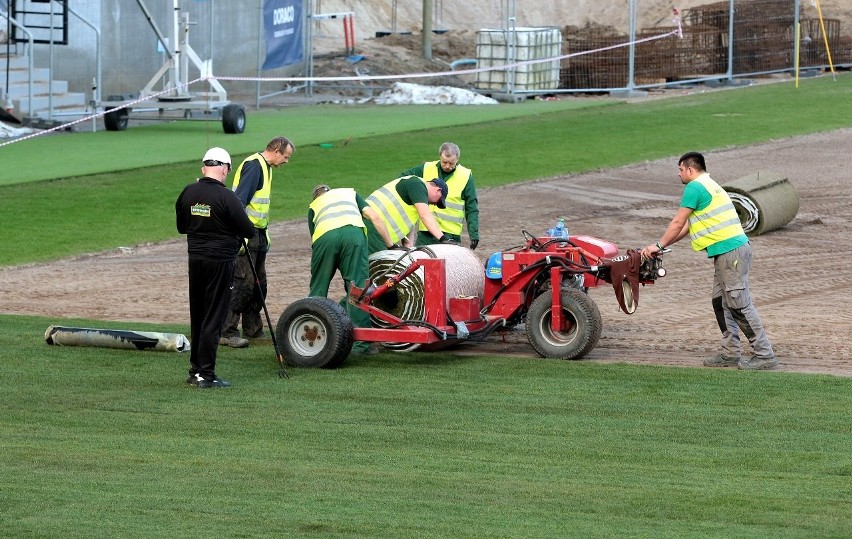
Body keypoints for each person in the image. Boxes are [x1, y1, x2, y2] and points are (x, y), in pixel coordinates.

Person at [640, 152, 777, 370]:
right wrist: (662, 246)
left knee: (739, 304)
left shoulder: (694, 187)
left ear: (690, 170)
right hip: (727, 252)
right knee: (720, 302)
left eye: (680, 170)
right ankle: (730, 352)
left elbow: (677, 222)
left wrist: (656, 246)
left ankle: (764, 354)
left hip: (731, 252)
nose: (678, 174)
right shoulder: (709, 184)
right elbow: (686, 228)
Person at [175, 147, 256, 388]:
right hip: (220, 262)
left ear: (203, 168)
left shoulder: (188, 193)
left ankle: (196, 370)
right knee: (214, 317)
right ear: (225, 168)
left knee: (198, 315)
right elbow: (248, 230)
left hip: (195, 260)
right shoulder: (227, 197)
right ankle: (206, 374)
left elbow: (182, 227)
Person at [220, 136, 295, 348]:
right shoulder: (254, 167)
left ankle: (253, 328)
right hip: (246, 233)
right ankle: (227, 331)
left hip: (258, 234)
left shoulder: (265, 167)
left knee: (258, 283)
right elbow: (239, 202)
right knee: (243, 283)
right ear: (277, 150)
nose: (286, 161)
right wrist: (241, 232)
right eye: (286, 157)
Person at [308, 184, 393, 354]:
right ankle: (362, 345)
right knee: (358, 289)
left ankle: (313, 335)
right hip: (354, 236)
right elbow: (373, 217)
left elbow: (315, 239)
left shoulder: (314, 207)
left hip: (325, 239)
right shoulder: (350, 194)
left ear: (316, 197)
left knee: (318, 288)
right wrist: (391, 244)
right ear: (330, 191)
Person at [400, 142, 480, 250]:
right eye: (444, 162)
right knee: (422, 265)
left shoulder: (466, 175)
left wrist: (473, 234)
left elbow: (472, 207)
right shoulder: (427, 168)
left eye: (451, 163)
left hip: (451, 235)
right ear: (440, 157)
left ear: (457, 160)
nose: (447, 166)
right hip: (426, 233)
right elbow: (403, 178)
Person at [363, 175, 455, 254]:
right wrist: (443, 238)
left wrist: (409, 247)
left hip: (377, 232)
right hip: (372, 229)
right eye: (438, 201)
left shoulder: (415, 196)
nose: (434, 204)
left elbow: (408, 226)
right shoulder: (417, 185)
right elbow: (425, 216)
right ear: (438, 190)